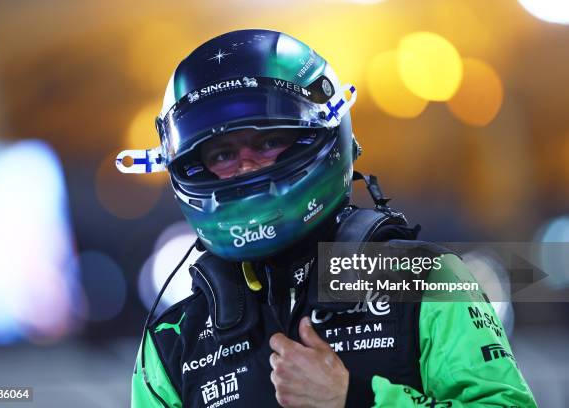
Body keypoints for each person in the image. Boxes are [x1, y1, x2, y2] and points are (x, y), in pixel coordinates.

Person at [118, 29, 537, 407]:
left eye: (268, 142)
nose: (245, 167)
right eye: (223, 154)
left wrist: (352, 400)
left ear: (321, 136)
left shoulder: (424, 279)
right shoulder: (172, 341)